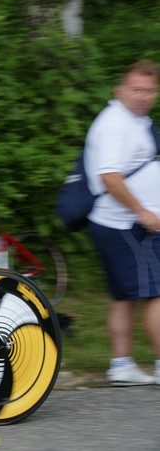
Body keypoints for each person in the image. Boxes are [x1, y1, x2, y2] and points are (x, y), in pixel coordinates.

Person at [84, 59, 160, 387]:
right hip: (128, 225)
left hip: (122, 225)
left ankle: (121, 365)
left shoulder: (134, 120)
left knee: (125, 296)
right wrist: (142, 211)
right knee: (157, 295)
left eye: (150, 90)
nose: (143, 96)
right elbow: (110, 177)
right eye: (136, 89)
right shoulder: (116, 123)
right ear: (120, 90)